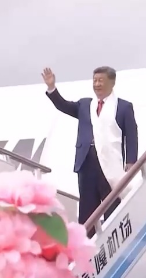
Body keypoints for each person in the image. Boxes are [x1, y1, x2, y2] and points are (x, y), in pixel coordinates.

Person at [41, 66, 138, 229]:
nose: (97, 84)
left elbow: (131, 134)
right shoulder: (85, 105)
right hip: (86, 162)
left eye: (101, 80)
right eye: (95, 80)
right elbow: (63, 105)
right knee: (87, 210)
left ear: (112, 82)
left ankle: (112, 236)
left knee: (112, 206)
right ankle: (87, 240)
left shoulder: (123, 107)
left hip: (110, 163)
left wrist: (131, 160)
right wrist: (51, 87)